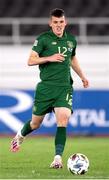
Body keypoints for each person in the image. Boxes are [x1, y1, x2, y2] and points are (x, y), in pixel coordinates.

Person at [11, 8, 89, 169]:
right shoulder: (43, 39)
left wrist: (82, 76)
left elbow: (72, 58)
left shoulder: (71, 40)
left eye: (61, 22)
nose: (59, 25)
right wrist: (49, 58)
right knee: (35, 123)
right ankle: (19, 136)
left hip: (64, 88)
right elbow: (30, 61)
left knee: (63, 120)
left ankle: (57, 159)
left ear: (65, 23)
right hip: (46, 88)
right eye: (55, 22)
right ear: (50, 23)